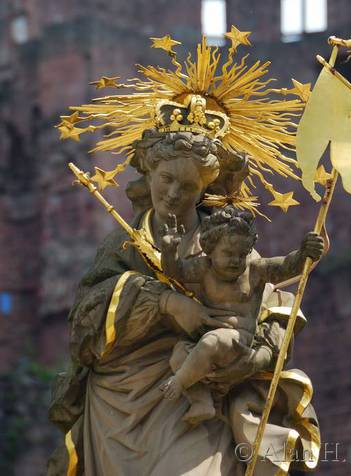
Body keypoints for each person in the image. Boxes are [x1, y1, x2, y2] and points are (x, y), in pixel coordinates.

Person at [48, 130, 320, 476]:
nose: (174, 194)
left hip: (204, 396)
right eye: (166, 179)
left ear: (204, 189)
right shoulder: (124, 243)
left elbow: (272, 308)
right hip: (122, 402)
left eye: (189, 187)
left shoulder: (226, 243)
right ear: (149, 173)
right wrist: (165, 303)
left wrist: (255, 360)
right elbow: (84, 326)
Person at [159, 206, 324, 428]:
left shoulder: (255, 270)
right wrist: (170, 251)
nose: (236, 261)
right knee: (178, 355)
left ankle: (177, 383)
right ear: (210, 248)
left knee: (212, 342)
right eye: (228, 254)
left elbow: (285, 266)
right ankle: (202, 402)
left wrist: (304, 254)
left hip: (240, 341)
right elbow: (176, 272)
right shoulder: (203, 269)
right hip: (206, 340)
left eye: (242, 254)